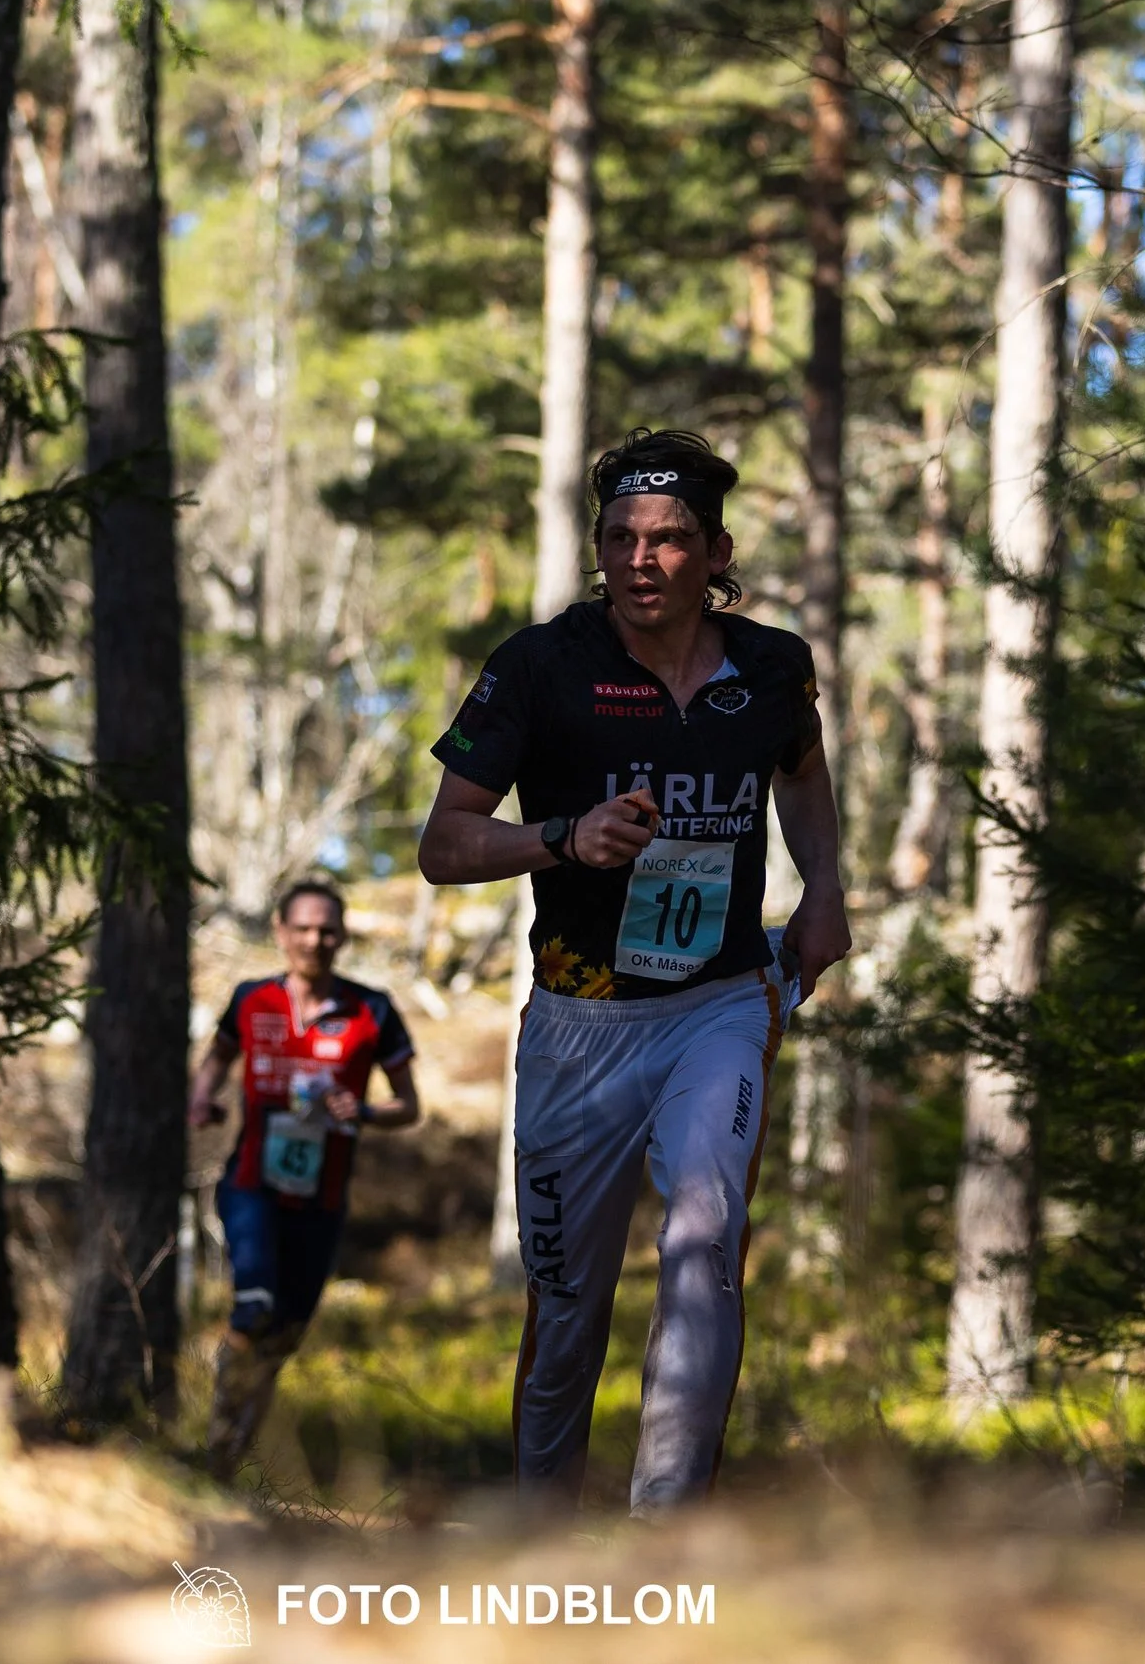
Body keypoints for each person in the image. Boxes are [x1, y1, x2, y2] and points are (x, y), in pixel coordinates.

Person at [416, 427, 851, 1514]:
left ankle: (669, 1536)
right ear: (599, 548)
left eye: (667, 539)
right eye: (621, 537)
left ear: (715, 550)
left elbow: (800, 768)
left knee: (704, 1248)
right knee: (565, 1310)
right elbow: (444, 844)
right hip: (579, 1024)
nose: (642, 560)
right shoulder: (538, 666)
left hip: (718, 1004)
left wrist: (826, 886)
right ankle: (539, 1534)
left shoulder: (771, 666)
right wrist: (561, 836)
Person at [188, 878, 422, 1478]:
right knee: (255, 1307)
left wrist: (363, 1111)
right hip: (251, 1185)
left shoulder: (372, 1010)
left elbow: (409, 1105)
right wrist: (201, 1100)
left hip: (321, 1198)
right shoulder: (251, 999)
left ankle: (228, 1463)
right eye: (304, 928)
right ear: (281, 931)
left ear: (342, 936)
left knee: (284, 1334)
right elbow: (215, 1060)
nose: (315, 940)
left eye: (327, 929)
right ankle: (213, 1445)